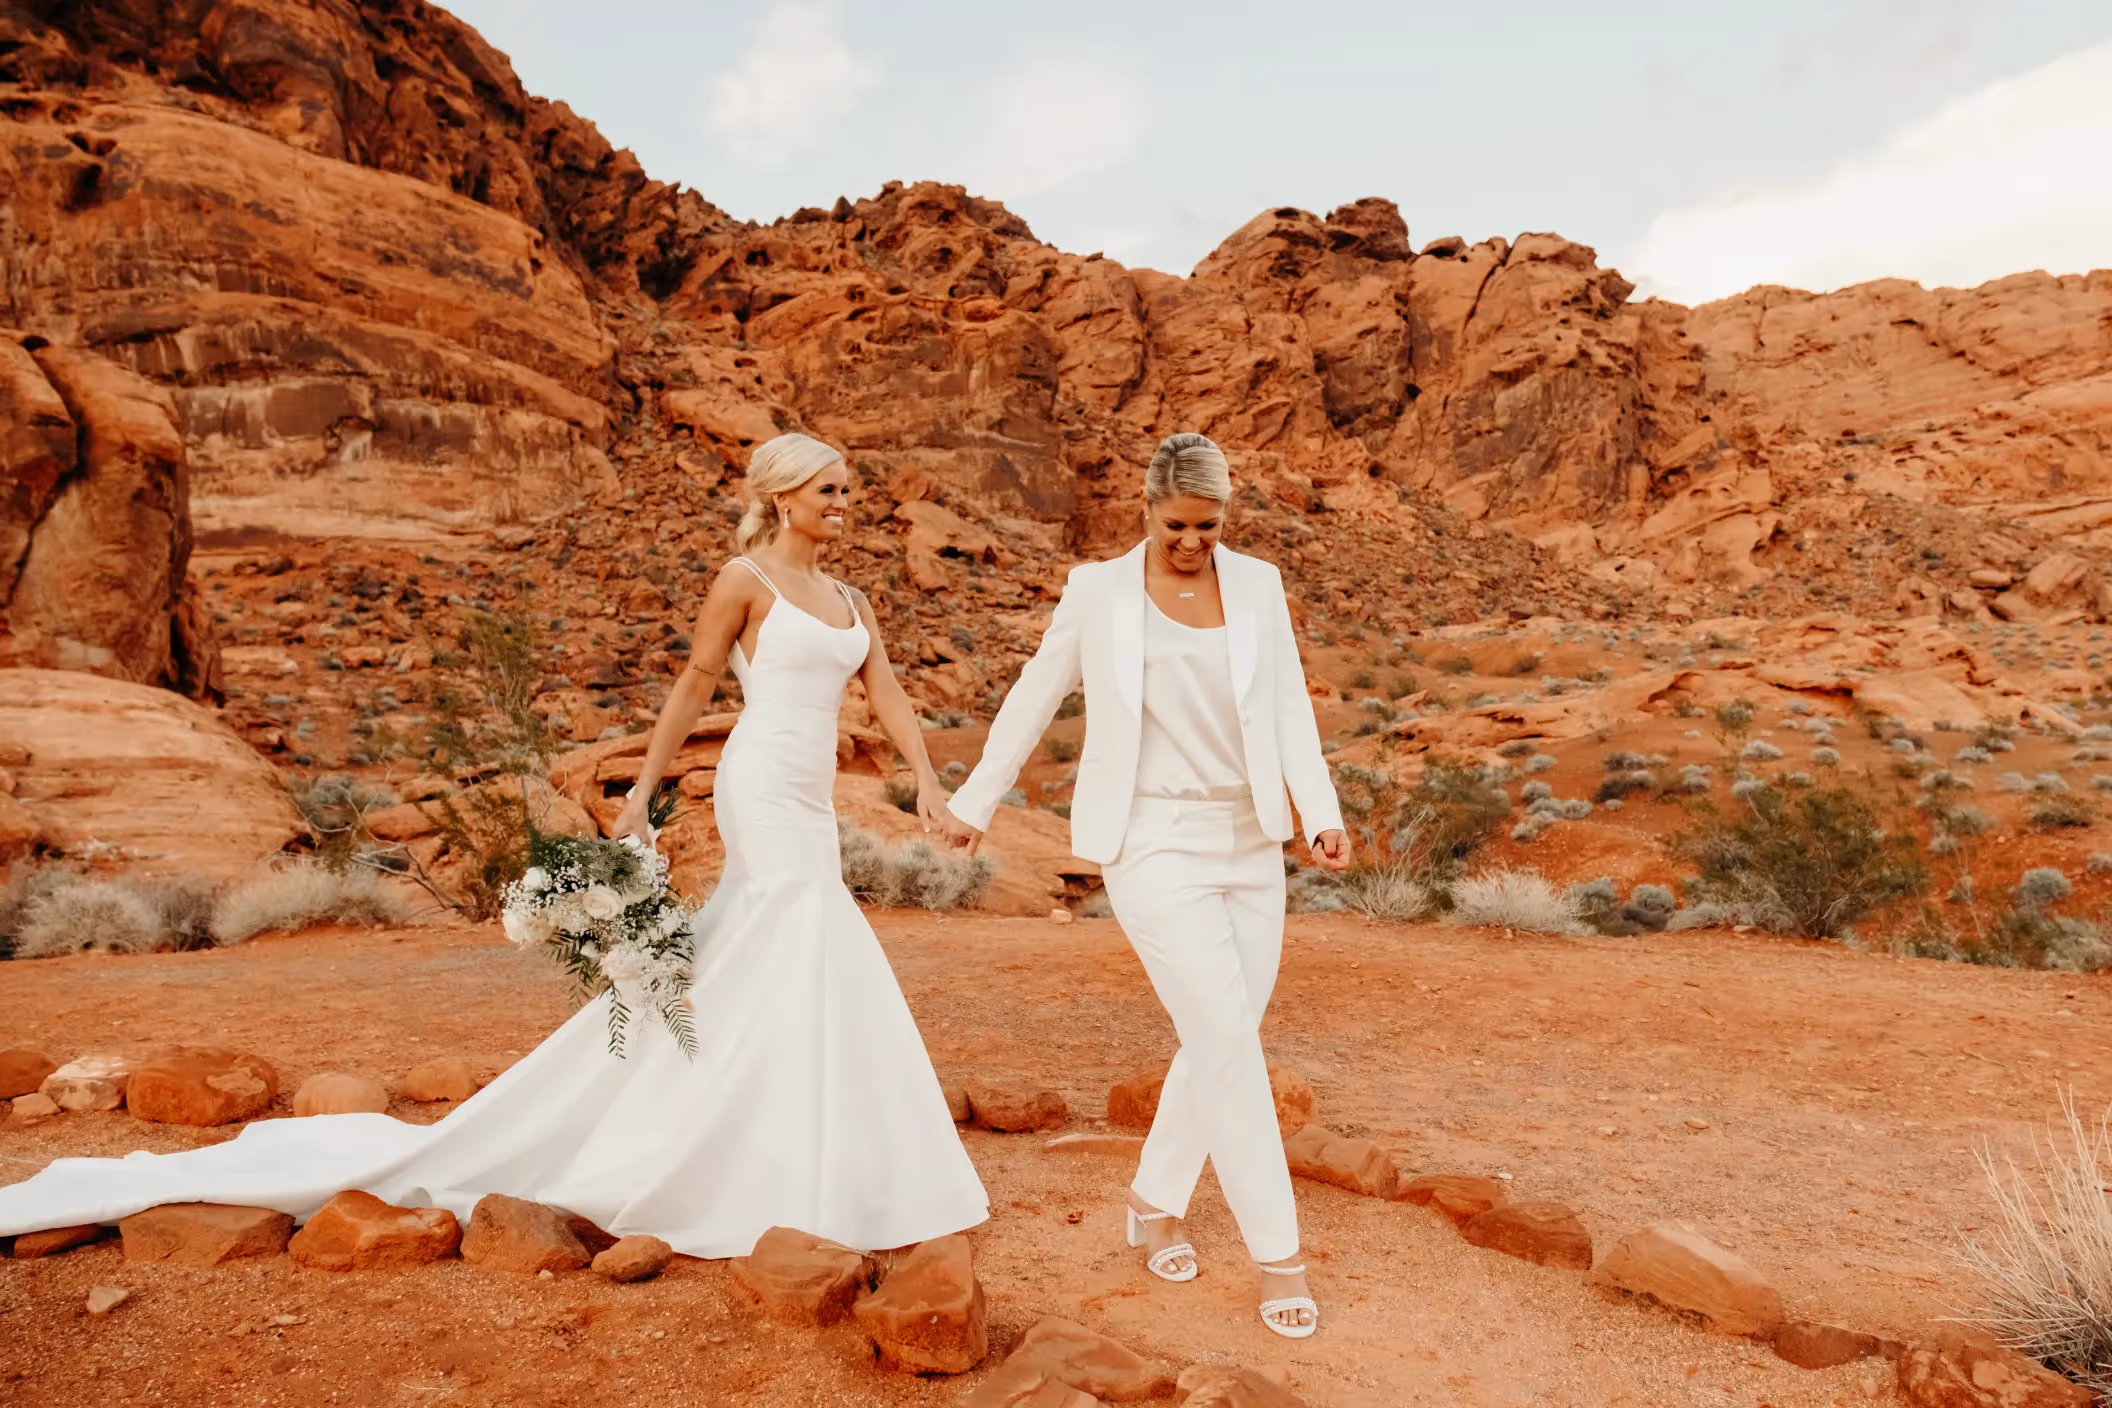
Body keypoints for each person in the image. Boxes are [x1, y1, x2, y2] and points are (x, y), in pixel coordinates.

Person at [0, 432, 987, 1259]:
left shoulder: (855, 601)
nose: (845, 503)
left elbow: (887, 694)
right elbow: (692, 683)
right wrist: (640, 786)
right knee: (796, 925)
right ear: (780, 495)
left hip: (811, 788)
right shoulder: (745, 578)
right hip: (761, 780)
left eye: (849, 490)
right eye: (829, 490)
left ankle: (789, 1145)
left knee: (777, 946)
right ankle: (746, 1154)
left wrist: (932, 782)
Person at [944, 431, 1350, 1339]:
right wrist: (977, 801)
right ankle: (1280, 1256)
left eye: (1210, 525)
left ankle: (1155, 1200)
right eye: (1177, 524)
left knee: (1224, 1033)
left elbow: (1288, 704)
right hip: (1153, 842)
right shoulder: (1098, 592)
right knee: (1228, 1046)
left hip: (1249, 845)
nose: (1193, 542)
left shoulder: (1259, 585)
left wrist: (1318, 808)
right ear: (1146, 509)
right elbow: (1034, 692)